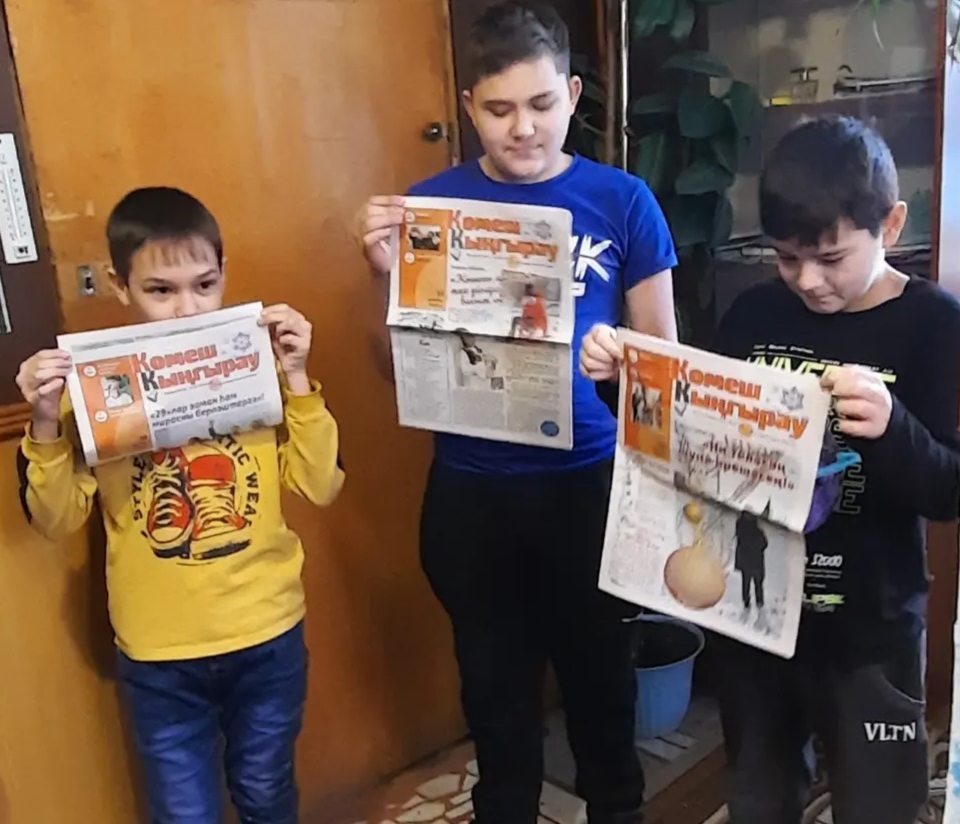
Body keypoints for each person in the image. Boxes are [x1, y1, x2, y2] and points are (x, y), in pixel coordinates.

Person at [580, 115, 960, 824]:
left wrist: (892, 427)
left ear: (890, 223)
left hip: (869, 630)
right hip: (752, 622)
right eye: (787, 258)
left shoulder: (934, 323)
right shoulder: (756, 313)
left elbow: (947, 489)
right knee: (758, 797)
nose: (808, 280)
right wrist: (619, 381)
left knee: (878, 803)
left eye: (831, 257)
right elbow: (693, 440)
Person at [354, 3, 677, 822]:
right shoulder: (431, 206)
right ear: (470, 107)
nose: (522, 128)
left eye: (540, 104)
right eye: (499, 109)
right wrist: (382, 276)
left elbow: (664, 367)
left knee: (603, 696)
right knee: (496, 706)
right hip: (472, 493)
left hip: (587, 486)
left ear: (571, 95)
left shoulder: (623, 200)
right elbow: (395, 372)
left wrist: (621, 360)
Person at [15, 186, 345, 824]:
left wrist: (298, 378)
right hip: (159, 650)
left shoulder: (259, 368)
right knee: (182, 812)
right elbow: (56, 519)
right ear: (120, 285)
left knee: (266, 792)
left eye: (205, 285)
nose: (186, 309)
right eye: (160, 291)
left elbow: (320, 484)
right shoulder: (96, 388)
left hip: (267, 630)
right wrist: (46, 420)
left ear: (225, 276)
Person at [734, 510, 767, 610]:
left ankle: (746, 601)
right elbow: (764, 544)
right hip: (756, 561)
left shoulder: (741, 528)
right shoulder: (757, 531)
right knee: (758, 582)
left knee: (746, 582)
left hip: (745, 561)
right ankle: (759, 601)